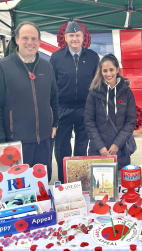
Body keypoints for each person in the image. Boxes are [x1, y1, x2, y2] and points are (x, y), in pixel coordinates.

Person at [0, 21, 58, 182]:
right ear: (17, 40)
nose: (30, 42)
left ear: (39, 42)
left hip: (44, 142)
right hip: (15, 144)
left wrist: (55, 124)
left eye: (34, 39)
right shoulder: (2, 68)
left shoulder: (47, 67)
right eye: (25, 38)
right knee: (19, 191)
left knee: (42, 186)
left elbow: (54, 98)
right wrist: (0, 141)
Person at [50, 21, 99, 183]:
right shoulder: (56, 58)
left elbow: (97, 84)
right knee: (62, 147)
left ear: (82, 37)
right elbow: (51, 85)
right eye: (71, 35)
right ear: (66, 38)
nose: (74, 38)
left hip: (85, 109)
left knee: (81, 146)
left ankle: (79, 180)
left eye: (77, 35)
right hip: (62, 109)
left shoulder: (92, 57)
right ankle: (64, 181)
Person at [84, 54, 136, 170]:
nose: (108, 74)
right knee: (99, 186)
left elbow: (131, 121)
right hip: (97, 152)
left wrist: (117, 144)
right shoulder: (94, 92)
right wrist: (100, 146)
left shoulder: (126, 92)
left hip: (120, 152)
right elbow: (89, 121)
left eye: (111, 70)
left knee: (119, 186)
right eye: (105, 70)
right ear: (100, 71)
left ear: (117, 69)